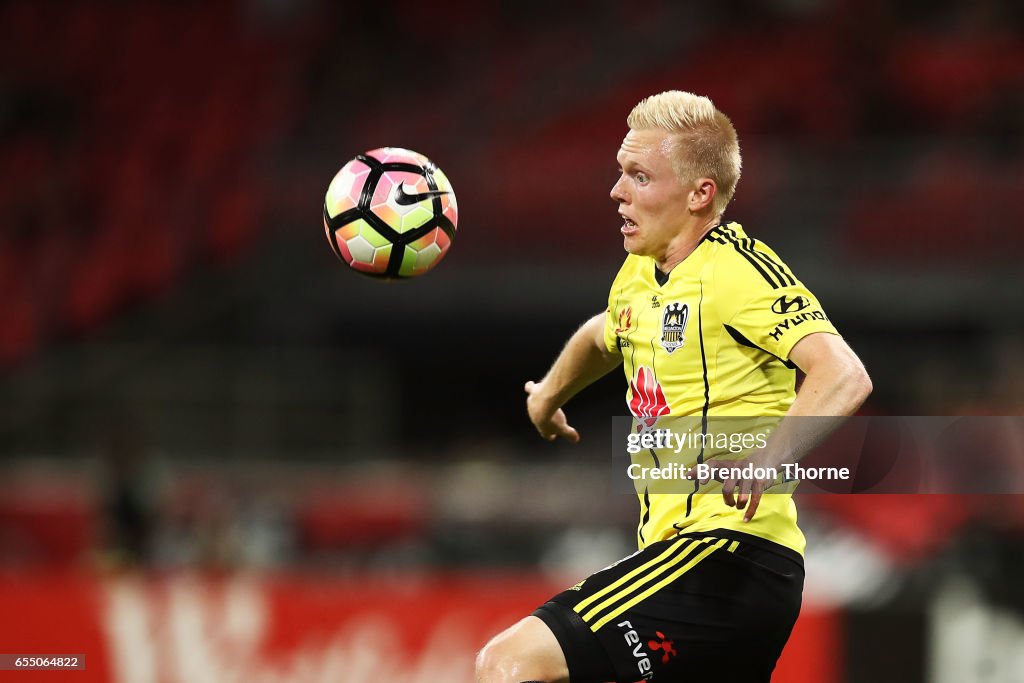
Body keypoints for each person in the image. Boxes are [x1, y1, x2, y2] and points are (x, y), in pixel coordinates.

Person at [475, 91, 872, 683]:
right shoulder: (640, 271)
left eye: (639, 175)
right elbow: (604, 333)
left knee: (509, 663)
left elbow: (843, 374)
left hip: (727, 552)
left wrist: (767, 459)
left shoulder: (737, 272)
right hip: (698, 562)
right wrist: (549, 395)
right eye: (619, 173)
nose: (617, 191)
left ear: (699, 194)